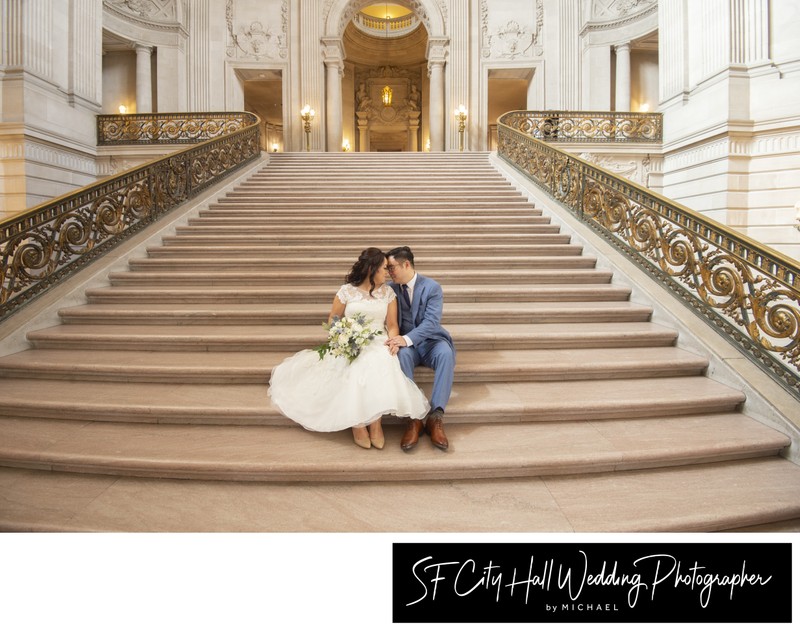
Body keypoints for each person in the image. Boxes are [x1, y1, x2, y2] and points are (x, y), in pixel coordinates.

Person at [268, 248, 429, 449]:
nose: (387, 273)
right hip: (350, 340)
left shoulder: (388, 293)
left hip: (378, 340)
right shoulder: (346, 291)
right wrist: (341, 337)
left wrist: (393, 341)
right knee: (355, 364)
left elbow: (392, 324)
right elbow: (333, 319)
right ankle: (358, 423)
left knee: (381, 360)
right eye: (383, 269)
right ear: (372, 270)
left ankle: (375, 422)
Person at [385, 246, 456, 451]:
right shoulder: (390, 289)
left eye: (392, 268)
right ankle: (413, 418)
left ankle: (436, 416)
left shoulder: (432, 287)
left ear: (406, 264)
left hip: (432, 341)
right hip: (408, 346)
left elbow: (432, 322)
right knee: (402, 355)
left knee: (445, 354)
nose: (390, 272)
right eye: (388, 269)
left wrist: (405, 339)